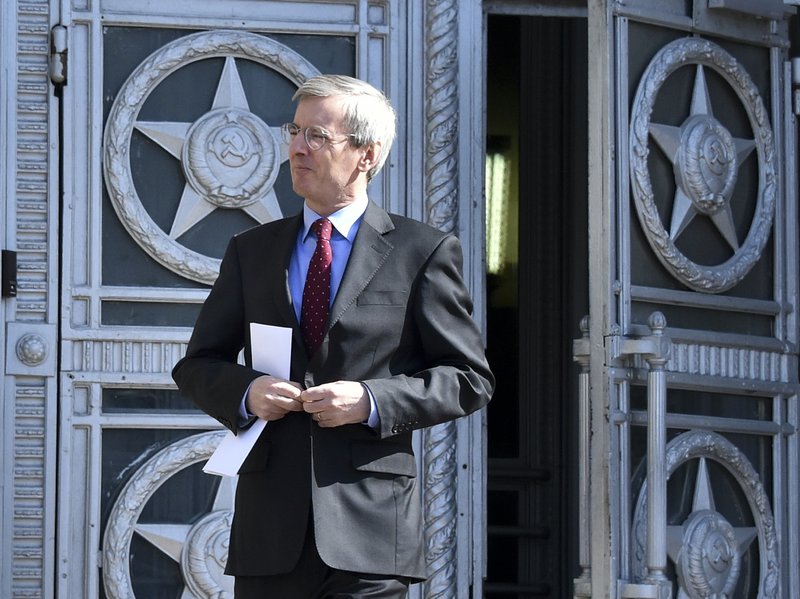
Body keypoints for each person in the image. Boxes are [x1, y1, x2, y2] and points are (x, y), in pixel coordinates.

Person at [172, 74, 494, 598]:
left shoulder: (423, 252)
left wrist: (369, 400)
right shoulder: (251, 251)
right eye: (295, 131)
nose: (297, 148)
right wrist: (246, 392)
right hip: (269, 531)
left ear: (366, 154)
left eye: (317, 136)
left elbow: (468, 378)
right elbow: (198, 364)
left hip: (369, 529)